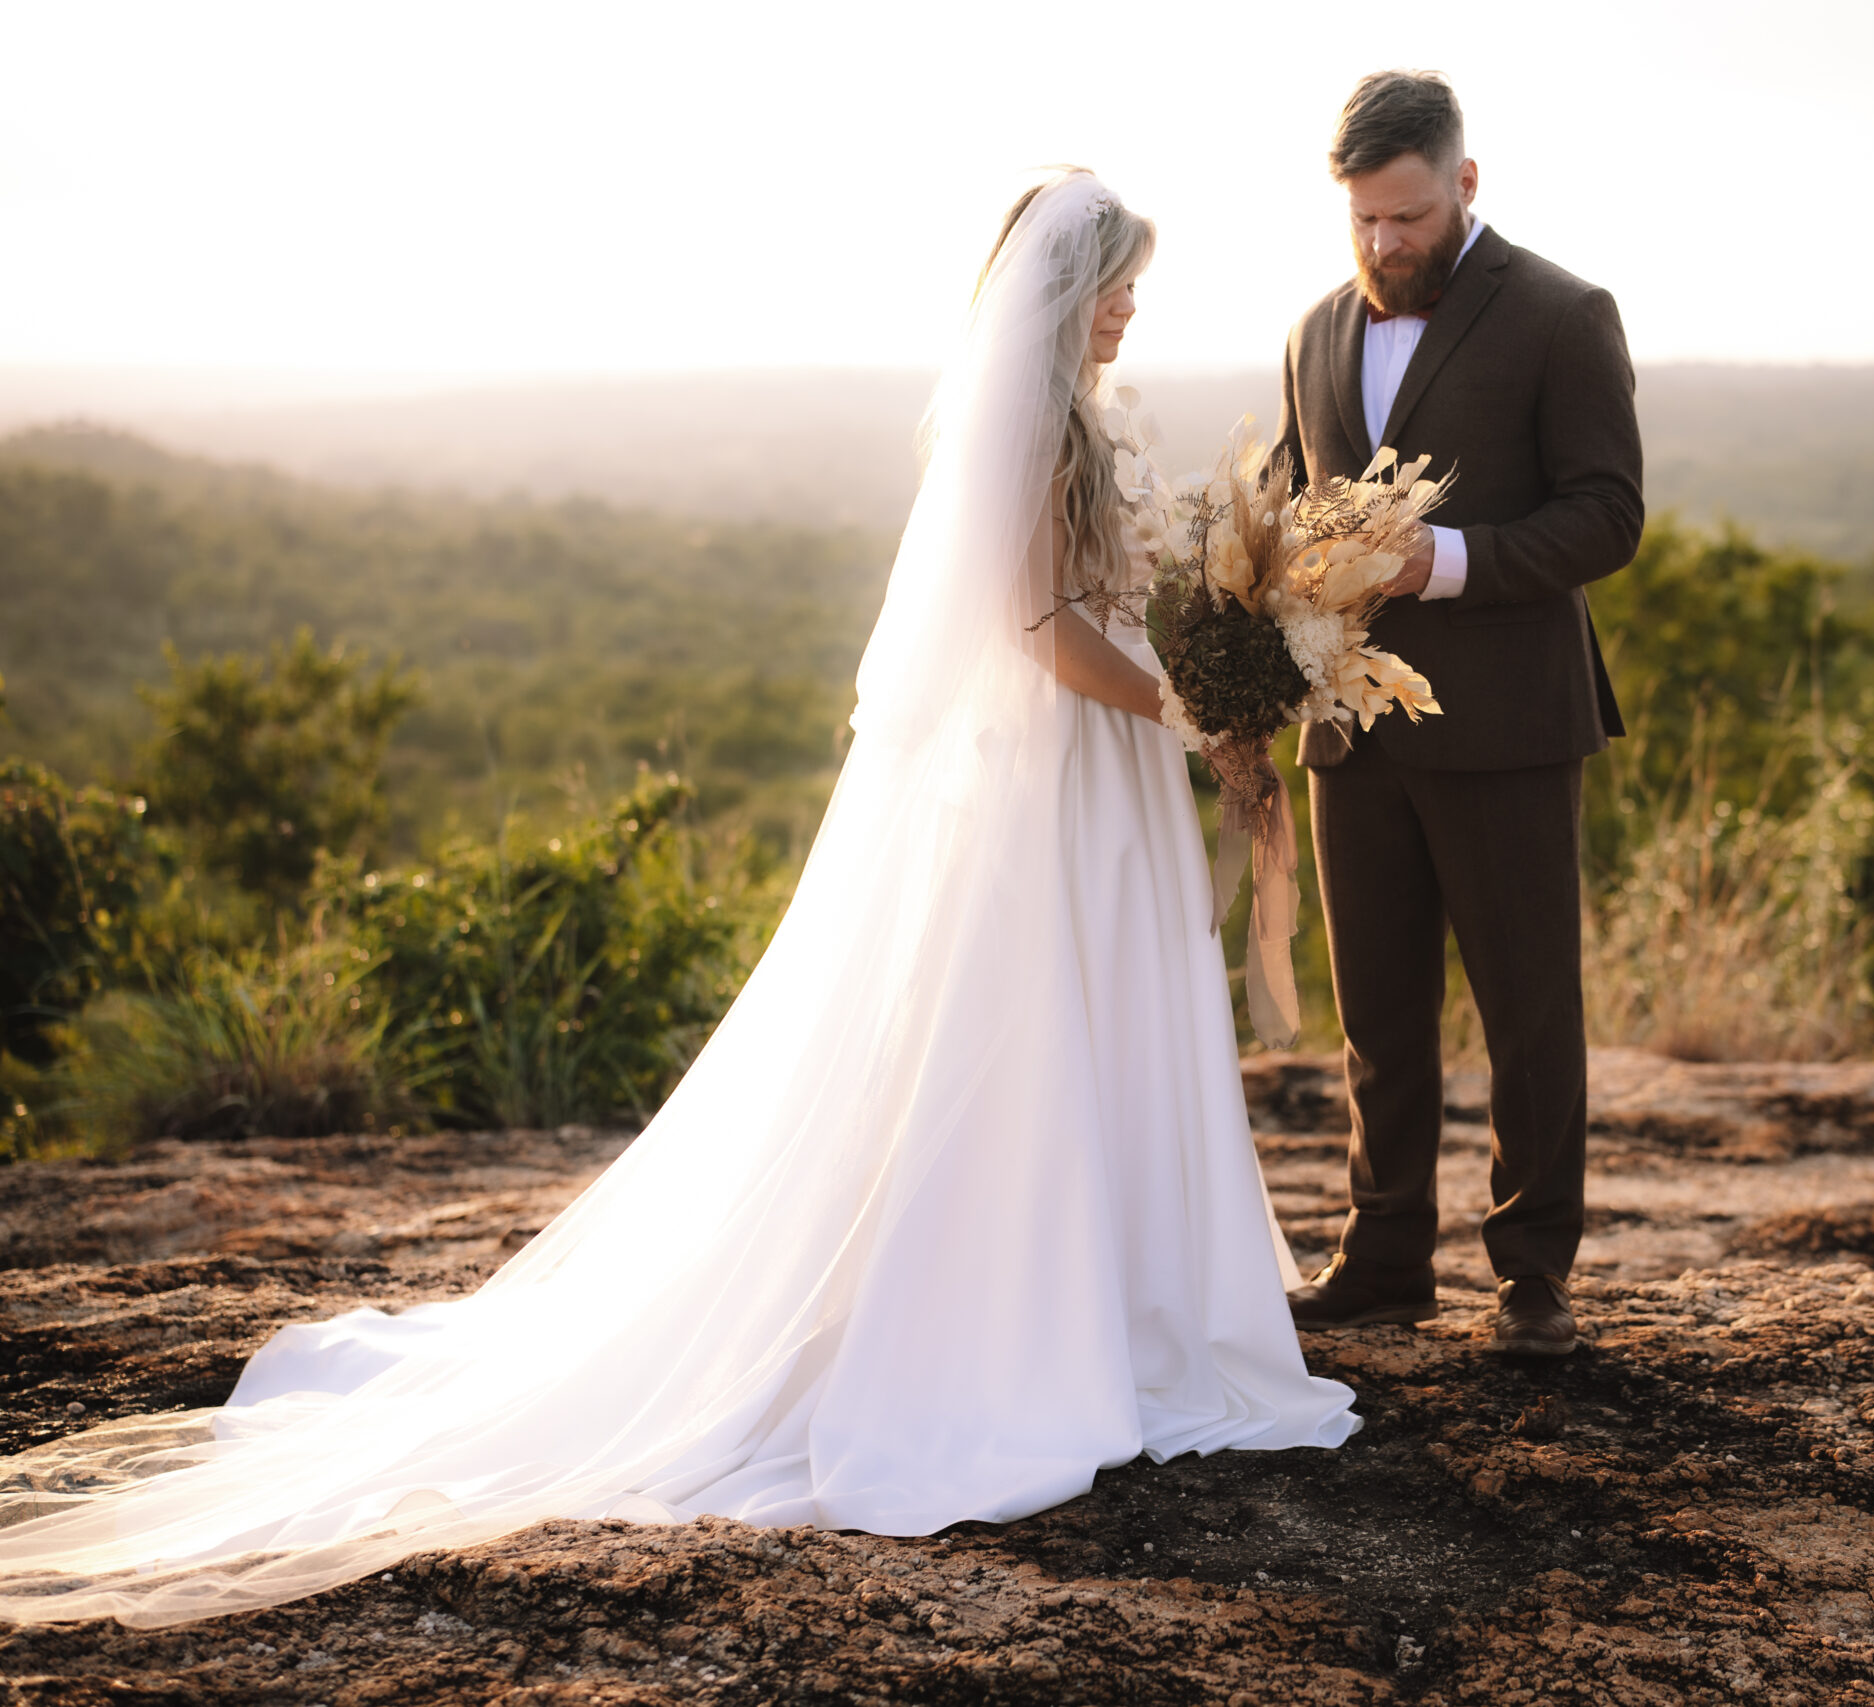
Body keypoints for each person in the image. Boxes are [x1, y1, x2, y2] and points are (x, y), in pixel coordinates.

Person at [0, 169, 1356, 1630]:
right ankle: (1022, 1320)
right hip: (1055, 781)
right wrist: (1183, 710)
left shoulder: (1091, 418)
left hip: (1102, 772)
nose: (1131, 307)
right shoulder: (1030, 428)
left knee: (1095, 1025)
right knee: (1022, 1031)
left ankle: (1116, 1299)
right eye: (1118, 284)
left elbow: (1112, 596)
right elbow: (1038, 632)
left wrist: (1210, 661)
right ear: (1063, 293)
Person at [1276, 72, 1645, 1356]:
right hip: (1349, 732)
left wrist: (1445, 562)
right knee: (1377, 1015)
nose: (1385, 245)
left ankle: (1531, 1275)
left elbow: (1609, 515)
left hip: (1507, 728)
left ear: (1465, 185)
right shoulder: (1313, 331)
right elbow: (1291, 503)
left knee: (1527, 1011)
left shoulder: (1562, 314)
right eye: (1365, 223)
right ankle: (1382, 1260)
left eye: (1410, 217)